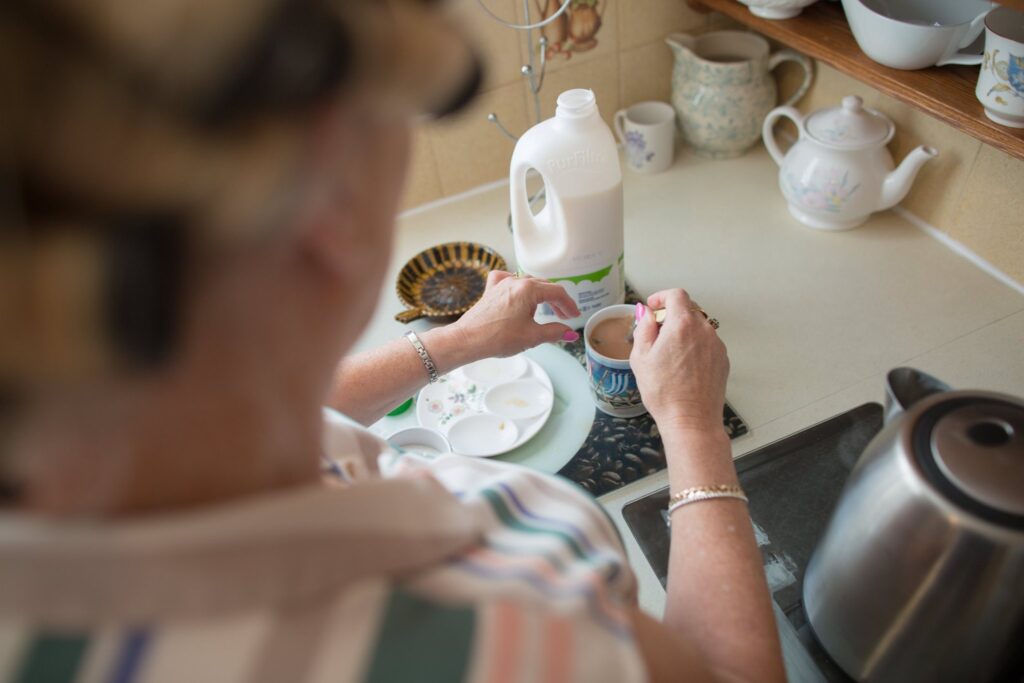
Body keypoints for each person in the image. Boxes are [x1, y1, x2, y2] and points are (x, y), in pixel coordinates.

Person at [0, 1, 784, 681]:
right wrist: (692, 424)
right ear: (330, 198)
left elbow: (269, 419)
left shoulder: (113, 446)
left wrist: (456, 344)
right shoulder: (492, 636)